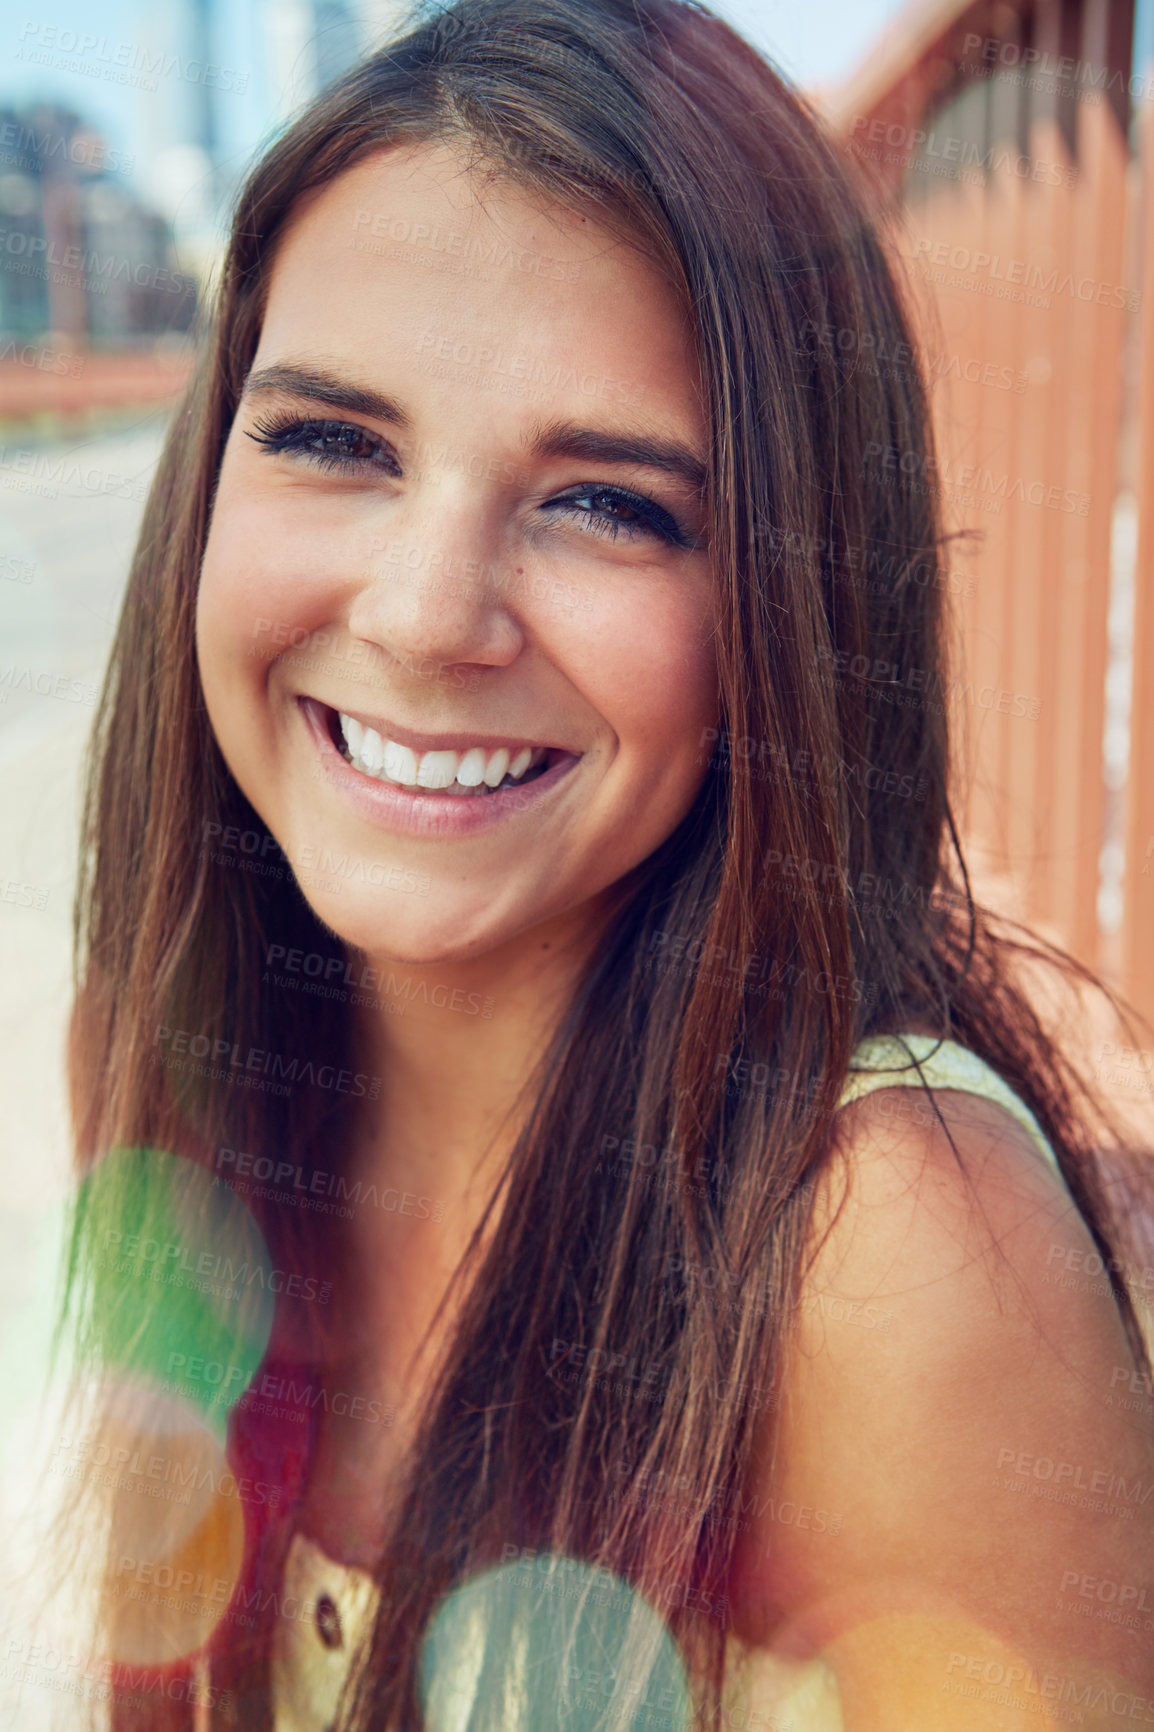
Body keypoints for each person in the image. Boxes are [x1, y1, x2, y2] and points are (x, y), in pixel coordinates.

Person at [60, 0, 1154, 1725]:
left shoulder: (875, 1261)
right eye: (334, 440)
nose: (424, 617)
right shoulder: (159, 1052)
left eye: (609, 503)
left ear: (789, 606)